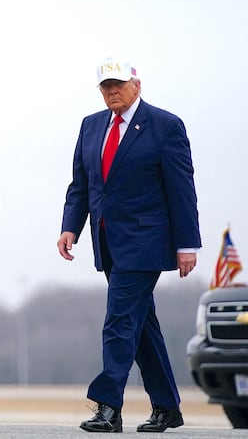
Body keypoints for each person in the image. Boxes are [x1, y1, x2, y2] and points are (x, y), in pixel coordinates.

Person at [57, 57, 201, 433]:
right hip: (107, 241)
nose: (112, 91)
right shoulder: (91, 127)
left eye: (118, 84)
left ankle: (108, 405)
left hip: (146, 241)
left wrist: (188, 244)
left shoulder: (164, 126)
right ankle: (167, 407)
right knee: (141, 325)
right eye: (105, 86)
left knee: (119, 320)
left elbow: (182, 189)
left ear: (137, 85)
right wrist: (70, 227)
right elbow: (81, 185)